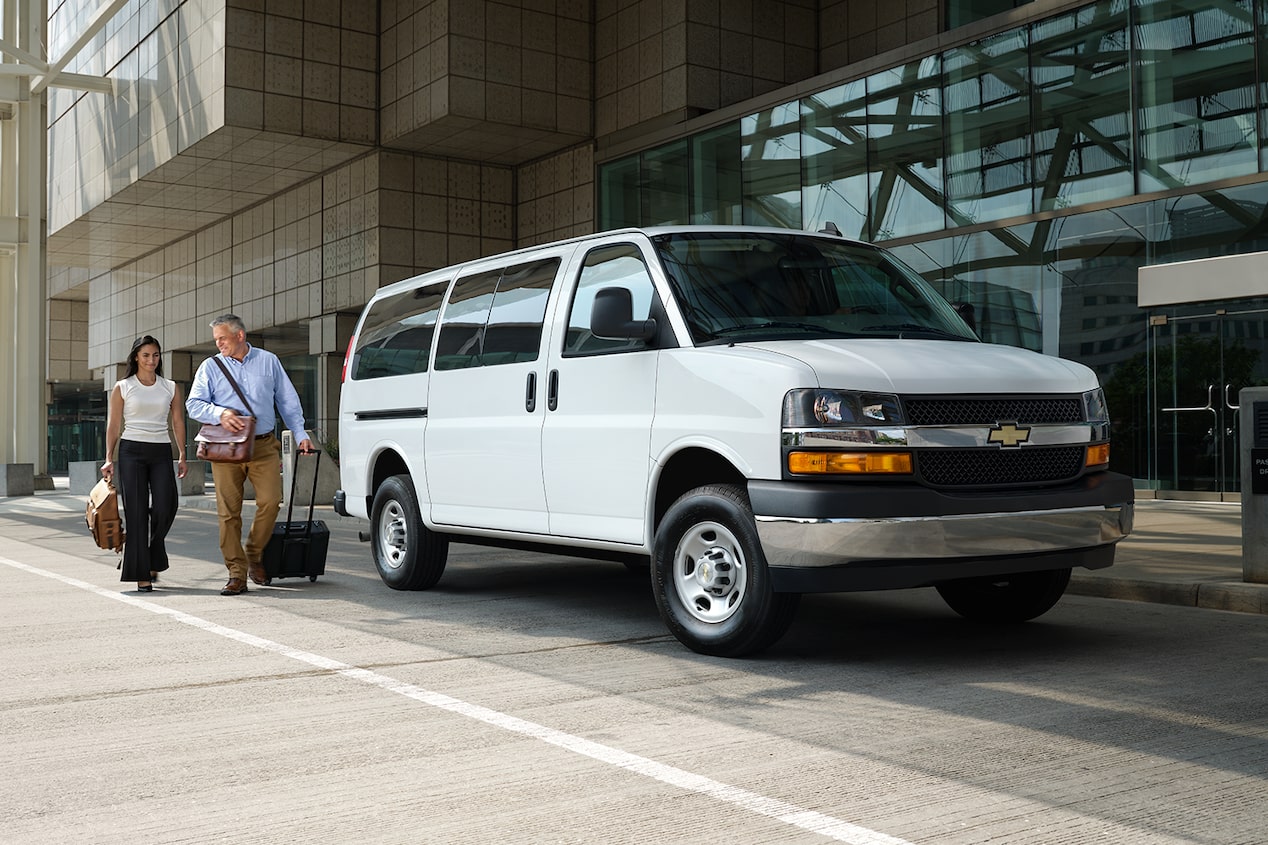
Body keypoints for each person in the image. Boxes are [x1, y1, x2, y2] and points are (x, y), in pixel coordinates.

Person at [186, 314, 313, 596]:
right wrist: (221, 413)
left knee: (271, 501)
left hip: (263, 445)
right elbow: (193, 404)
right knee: (228, 514)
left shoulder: (269, 362)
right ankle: (236, 573)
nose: (218, 344)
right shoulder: (210, 367)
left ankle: (253, 553)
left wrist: (300, 433)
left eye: (223, 338)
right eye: (216, 339)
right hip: (225, 446)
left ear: (240, 335)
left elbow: (287, 400)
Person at [101, 335, 188, 592]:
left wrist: (182, 453)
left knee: (166, 505)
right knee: (136, 513)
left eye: (156, 355)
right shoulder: (123, 387)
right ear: (136, 357)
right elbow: (114, 424)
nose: (152, 360)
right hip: (131, 451)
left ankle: (147, 553)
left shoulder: (170, 387)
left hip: (161, 450)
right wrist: (109, 457)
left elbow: (178, 422)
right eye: (146, 355)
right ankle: (142, 573)